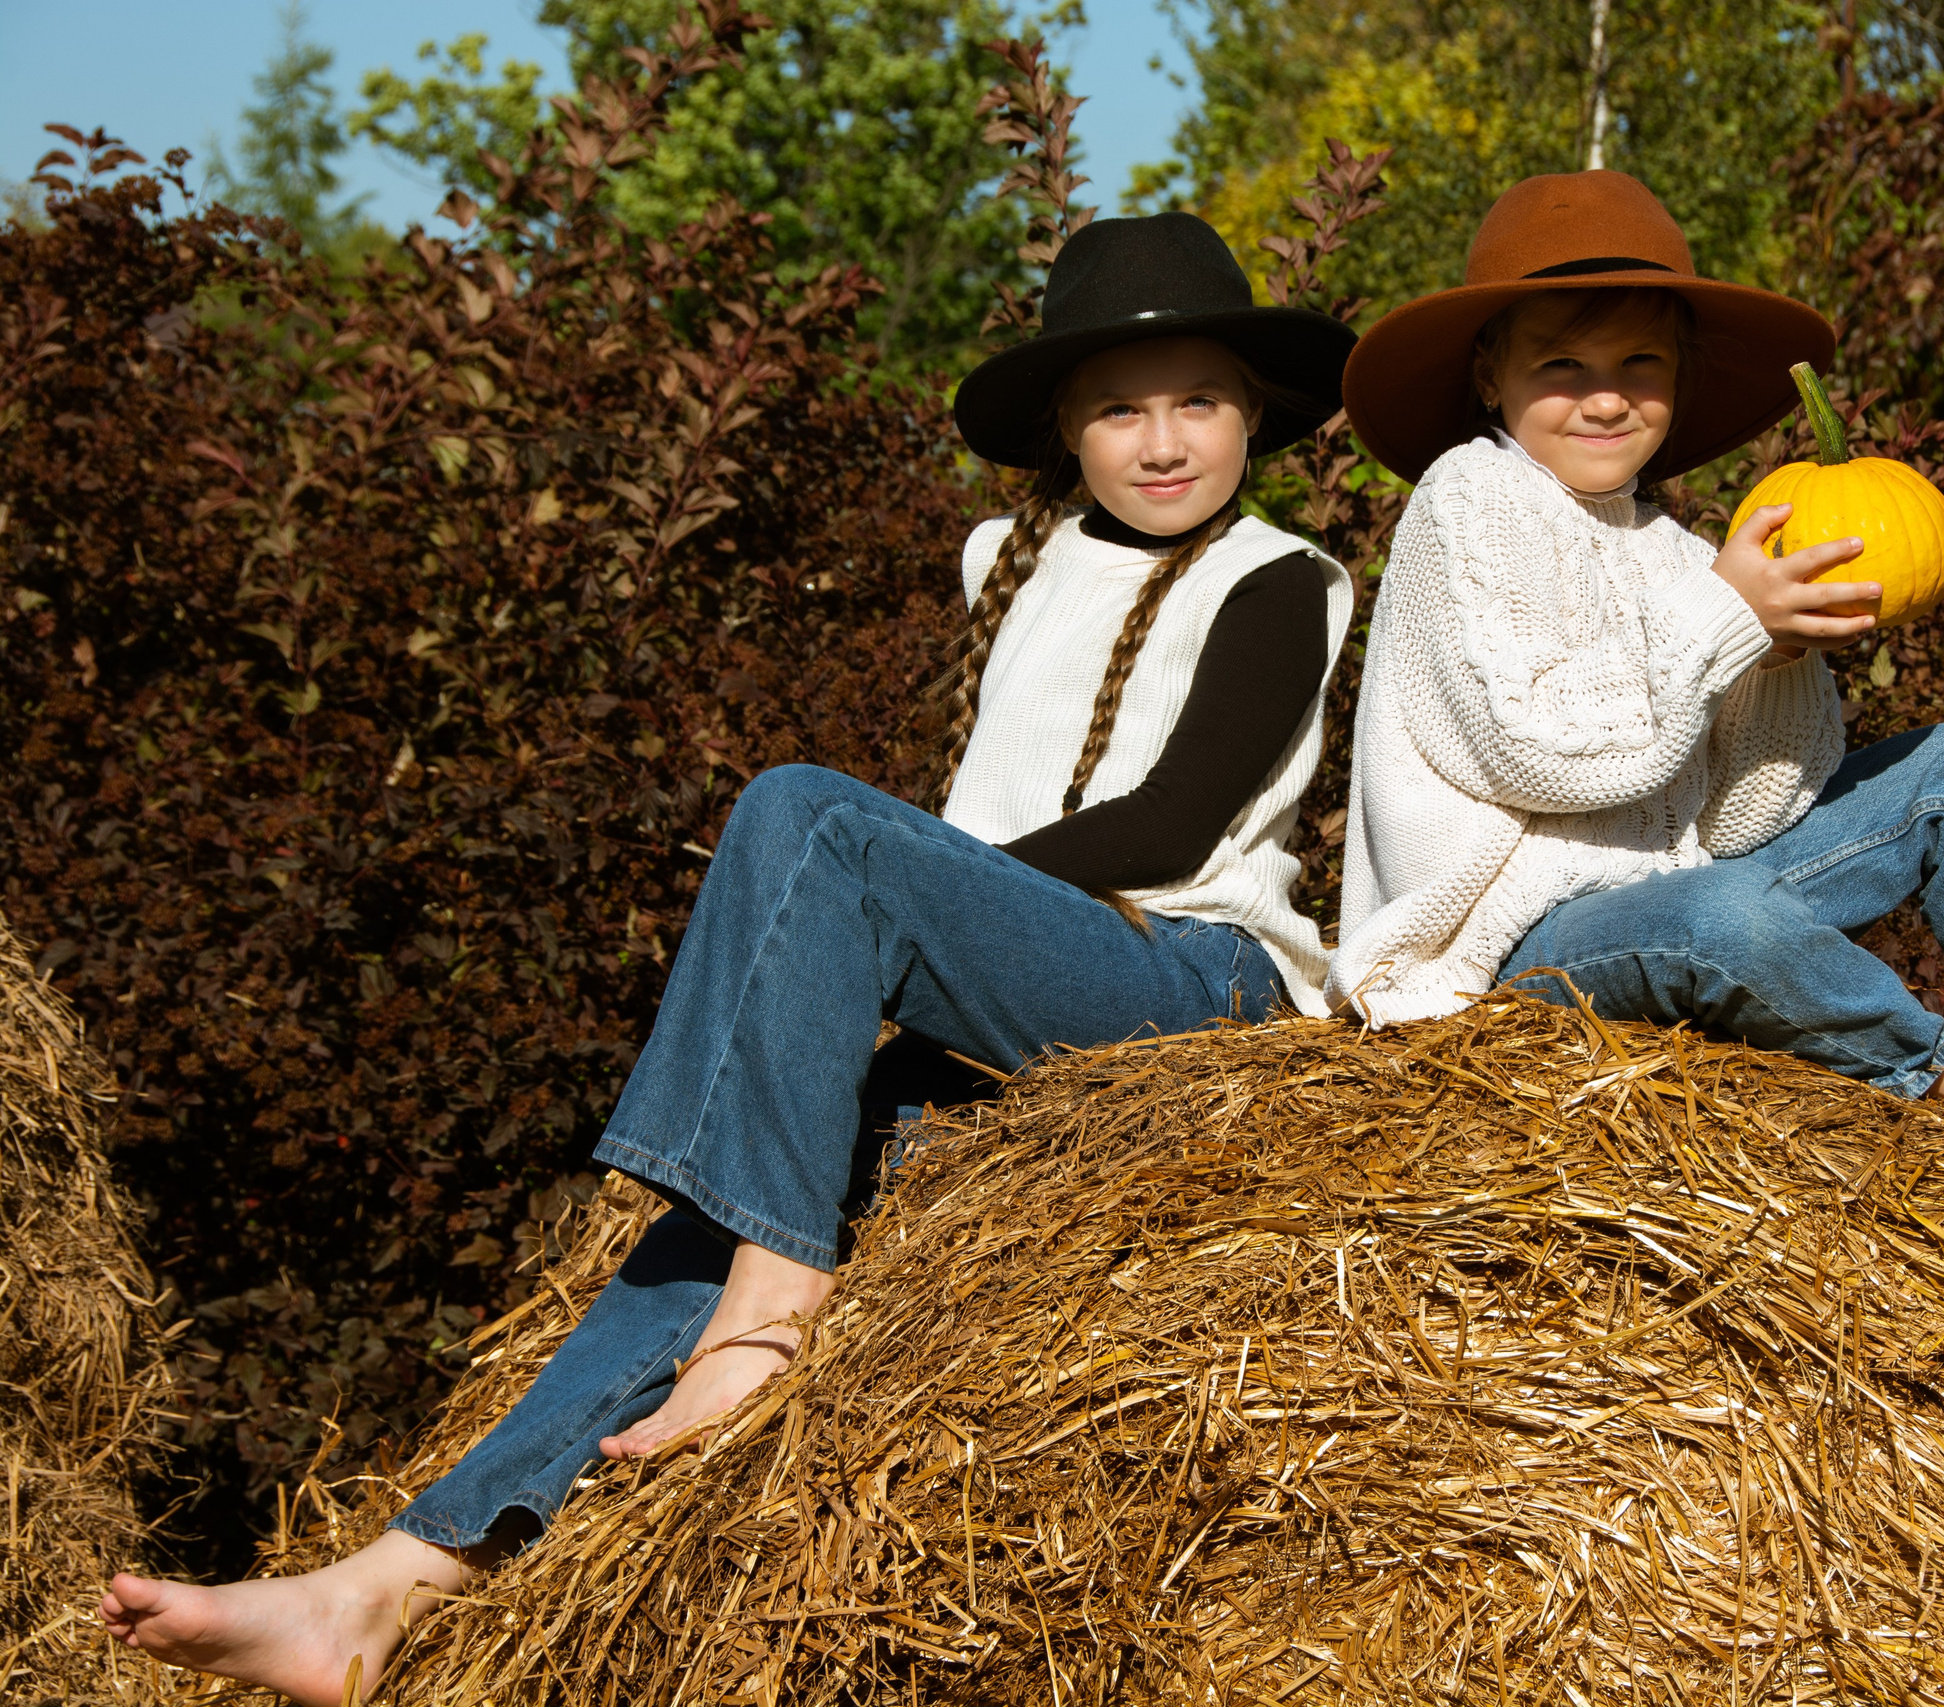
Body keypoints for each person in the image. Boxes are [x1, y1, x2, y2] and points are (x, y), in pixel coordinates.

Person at [101, 211, 1362, 1706]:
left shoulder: (1287, 577)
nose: (1164, 441)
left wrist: (907, 904)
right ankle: (381, 1587)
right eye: (1119, 406)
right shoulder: (1001, 560)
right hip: (1003, 987)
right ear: (1063, 431)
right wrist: (902, 918)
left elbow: (1172, 817)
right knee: (707, 1221)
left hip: (1184, 972)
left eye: (1200, 399)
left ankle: (773, 1313)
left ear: (1257, 413)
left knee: (806, 822)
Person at [1327, 170, 1944, 1224]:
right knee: (1720, 914)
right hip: (1501, 949)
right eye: (1561, 365)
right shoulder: (1466, 500)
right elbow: (1538, 752)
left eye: (1639, 364)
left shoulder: (1679, 551)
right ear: (1488, 376)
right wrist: (1727, 623)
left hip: (1673, 897)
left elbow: (1744, 817)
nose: (1604, 397)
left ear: (1681, 380)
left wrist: (1778, 655)